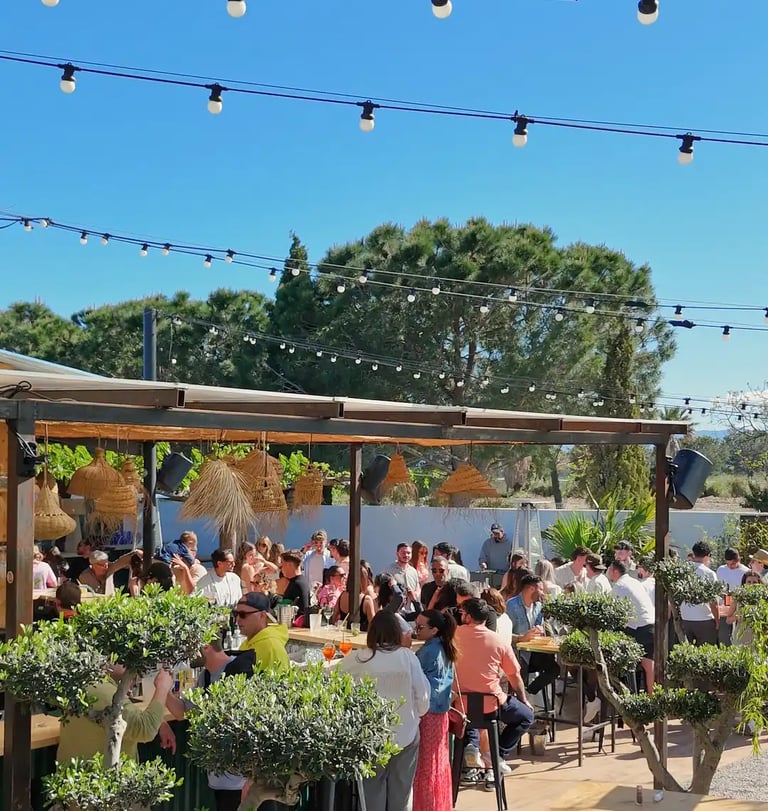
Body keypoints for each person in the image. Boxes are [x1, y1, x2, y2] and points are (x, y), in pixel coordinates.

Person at [339, 611, 430, 811]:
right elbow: (423, 698)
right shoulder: (408, 658)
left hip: (371, 737)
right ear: (397, 633)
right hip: (405, 733)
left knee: (371, 794)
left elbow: (331, 679)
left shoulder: (359, 658)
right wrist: (414, 716)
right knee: (402, 794)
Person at [454, 598, 533, 780]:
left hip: (460, 704)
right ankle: (497, 755)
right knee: (526, 716)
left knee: (473, 719)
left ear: (468, 616)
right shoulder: (498, 640)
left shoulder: (453, 635)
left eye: (462, 613)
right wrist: (523, 700)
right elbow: (514, 676)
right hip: (491, 703)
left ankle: (474, 749)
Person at [164, 641, 249, 811]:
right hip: (219, 780)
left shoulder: (242, 670)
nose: (184, 658)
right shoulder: (207, 675)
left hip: (241, 783)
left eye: (187, 650)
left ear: (206, 646)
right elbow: (182, 712)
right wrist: (161, 688)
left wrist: (252, 780)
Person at [57, 665, 173, 765]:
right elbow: (145, 729)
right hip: (98, 785)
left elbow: (126, 716)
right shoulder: (100, 690)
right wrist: (162, 686)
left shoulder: (88, 683)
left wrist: (160, 721)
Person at [413, 609, 457, 811]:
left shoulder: (429, 651)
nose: (416, 630)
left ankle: (424, 806)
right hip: (440, 714)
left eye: (420, 627)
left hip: (427, 713)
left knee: (425, 767)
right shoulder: (443, 646)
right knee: (437, 764)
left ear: (434, 630)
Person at [505, 574, 560, 698]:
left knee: (554, 668)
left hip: (535, 651)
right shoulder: (512, 606)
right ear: (530, 589)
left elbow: (540, 628)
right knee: (520, 668)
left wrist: (540, 630)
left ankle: (529, 692)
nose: (542, 592)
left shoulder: (539, 606)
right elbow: (505, 635)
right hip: (517, 653)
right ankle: (520, 698)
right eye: (540, 589)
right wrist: (521, 637)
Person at [608, 561, 656, 696]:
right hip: (650, 624)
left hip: (638, 627)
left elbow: (613, 612)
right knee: (649, 666)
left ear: (614, 571)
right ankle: (653, 700)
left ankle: (630, 697)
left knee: (626, 663)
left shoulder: (619, 586)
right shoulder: (634, 581)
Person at [232, 592, 290, 672]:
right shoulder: (247, 643)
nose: (237, 620)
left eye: (243, 614)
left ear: (262, 615)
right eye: (236, 614)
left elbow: (282, 683)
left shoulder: (272, 647)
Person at [680, 540, 720, 646]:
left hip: (686, 617)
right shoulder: (709, 573)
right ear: (707, 556)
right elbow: (713, 601)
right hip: (704, 618)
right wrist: (717, 620)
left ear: (693, 553)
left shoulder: (682, 570)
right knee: (707, 652)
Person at [334, 560, 376, 630]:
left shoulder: (342, 595)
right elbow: (372, 624)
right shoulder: (366, 600)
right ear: (364, 580)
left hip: (343, 636)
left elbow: (334, 617)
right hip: (359, 637)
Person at [278, 549, 311, 627]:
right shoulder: (296, 582)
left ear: (289, 565)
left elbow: (302, 613)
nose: (281, 568)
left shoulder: (299, 584)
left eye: (282, 564)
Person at [385, 543, 421, 613]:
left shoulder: (413, 571)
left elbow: (417, 588)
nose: (406, 555)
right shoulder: (389, 571)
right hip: (395, 612)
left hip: (411, 613)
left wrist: (414, 594)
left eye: (408, 553)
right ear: (397, 554)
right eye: (403, 553)